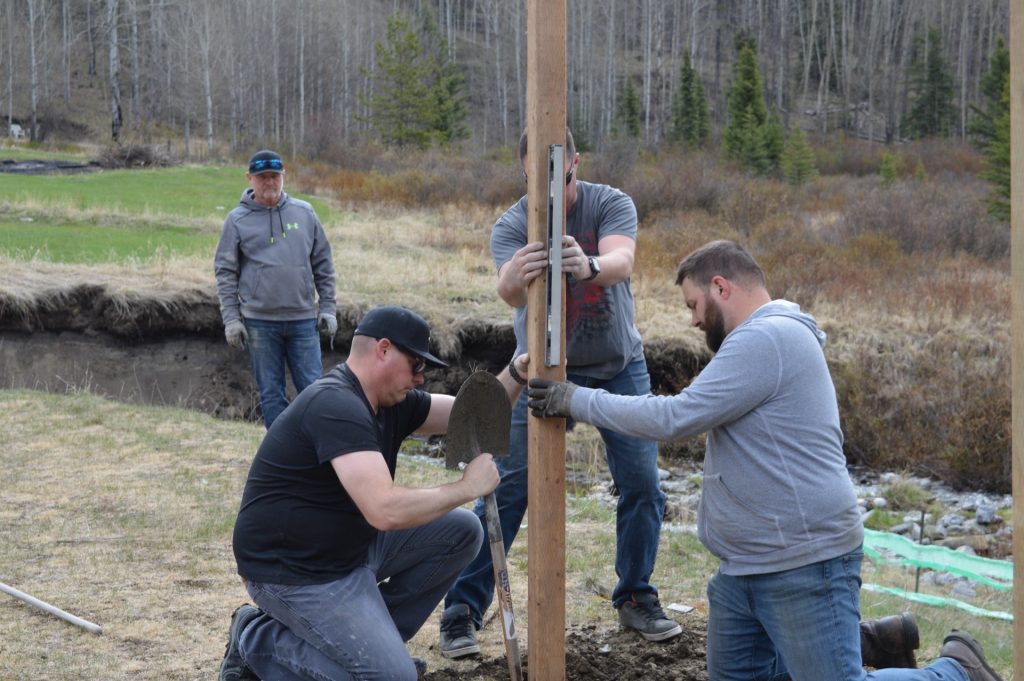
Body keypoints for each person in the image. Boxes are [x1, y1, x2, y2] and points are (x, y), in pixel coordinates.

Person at [526, 240, 1003, 681]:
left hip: (802, 561)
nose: (693, 321)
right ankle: (874, 641)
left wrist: (576, 400)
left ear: (721, 287)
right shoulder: (761, 340)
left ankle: (955, 672)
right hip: (744, 568)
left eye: (694, 305)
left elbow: (675, 417)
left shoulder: (766, 339)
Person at [439, 127, 680, 659]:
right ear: (524, 171)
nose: (553, 189)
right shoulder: (512, 220)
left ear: (575, 161)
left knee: (641, 483)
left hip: (619, 367)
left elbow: (622, 261)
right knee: (508, 486)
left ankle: (636, 595)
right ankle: (462, 609)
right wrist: (517, 274)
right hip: (540, 370)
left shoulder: (609, 203)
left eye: (563, 176)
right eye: (538, 178)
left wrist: (589, 265)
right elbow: (505, 286)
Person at [217, 305, 530, 681]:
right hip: (295, 569)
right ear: (383, 349)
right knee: (394, 678)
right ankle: (255, 639)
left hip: (348, 548)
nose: (419, 379)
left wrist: (516, 373)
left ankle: (371, 650)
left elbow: (475, 415)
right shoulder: (337, 405)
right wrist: (466, 488)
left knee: (463, 532)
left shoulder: (390, 402)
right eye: (415, 365)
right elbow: (384, 510)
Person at [214, 149, 338, 429]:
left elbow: (324, 265)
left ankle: (317, 452)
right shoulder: (236, 220)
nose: (269, 182)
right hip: (259, 323)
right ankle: (281, 455)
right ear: (250, 178)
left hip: (303, 320)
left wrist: (328, 308)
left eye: (274, 176)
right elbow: (225, 272)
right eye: (262, 177)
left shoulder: (304, 213)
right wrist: (232, 320)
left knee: (314, 391)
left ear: (284, 177)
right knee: (271, 393)